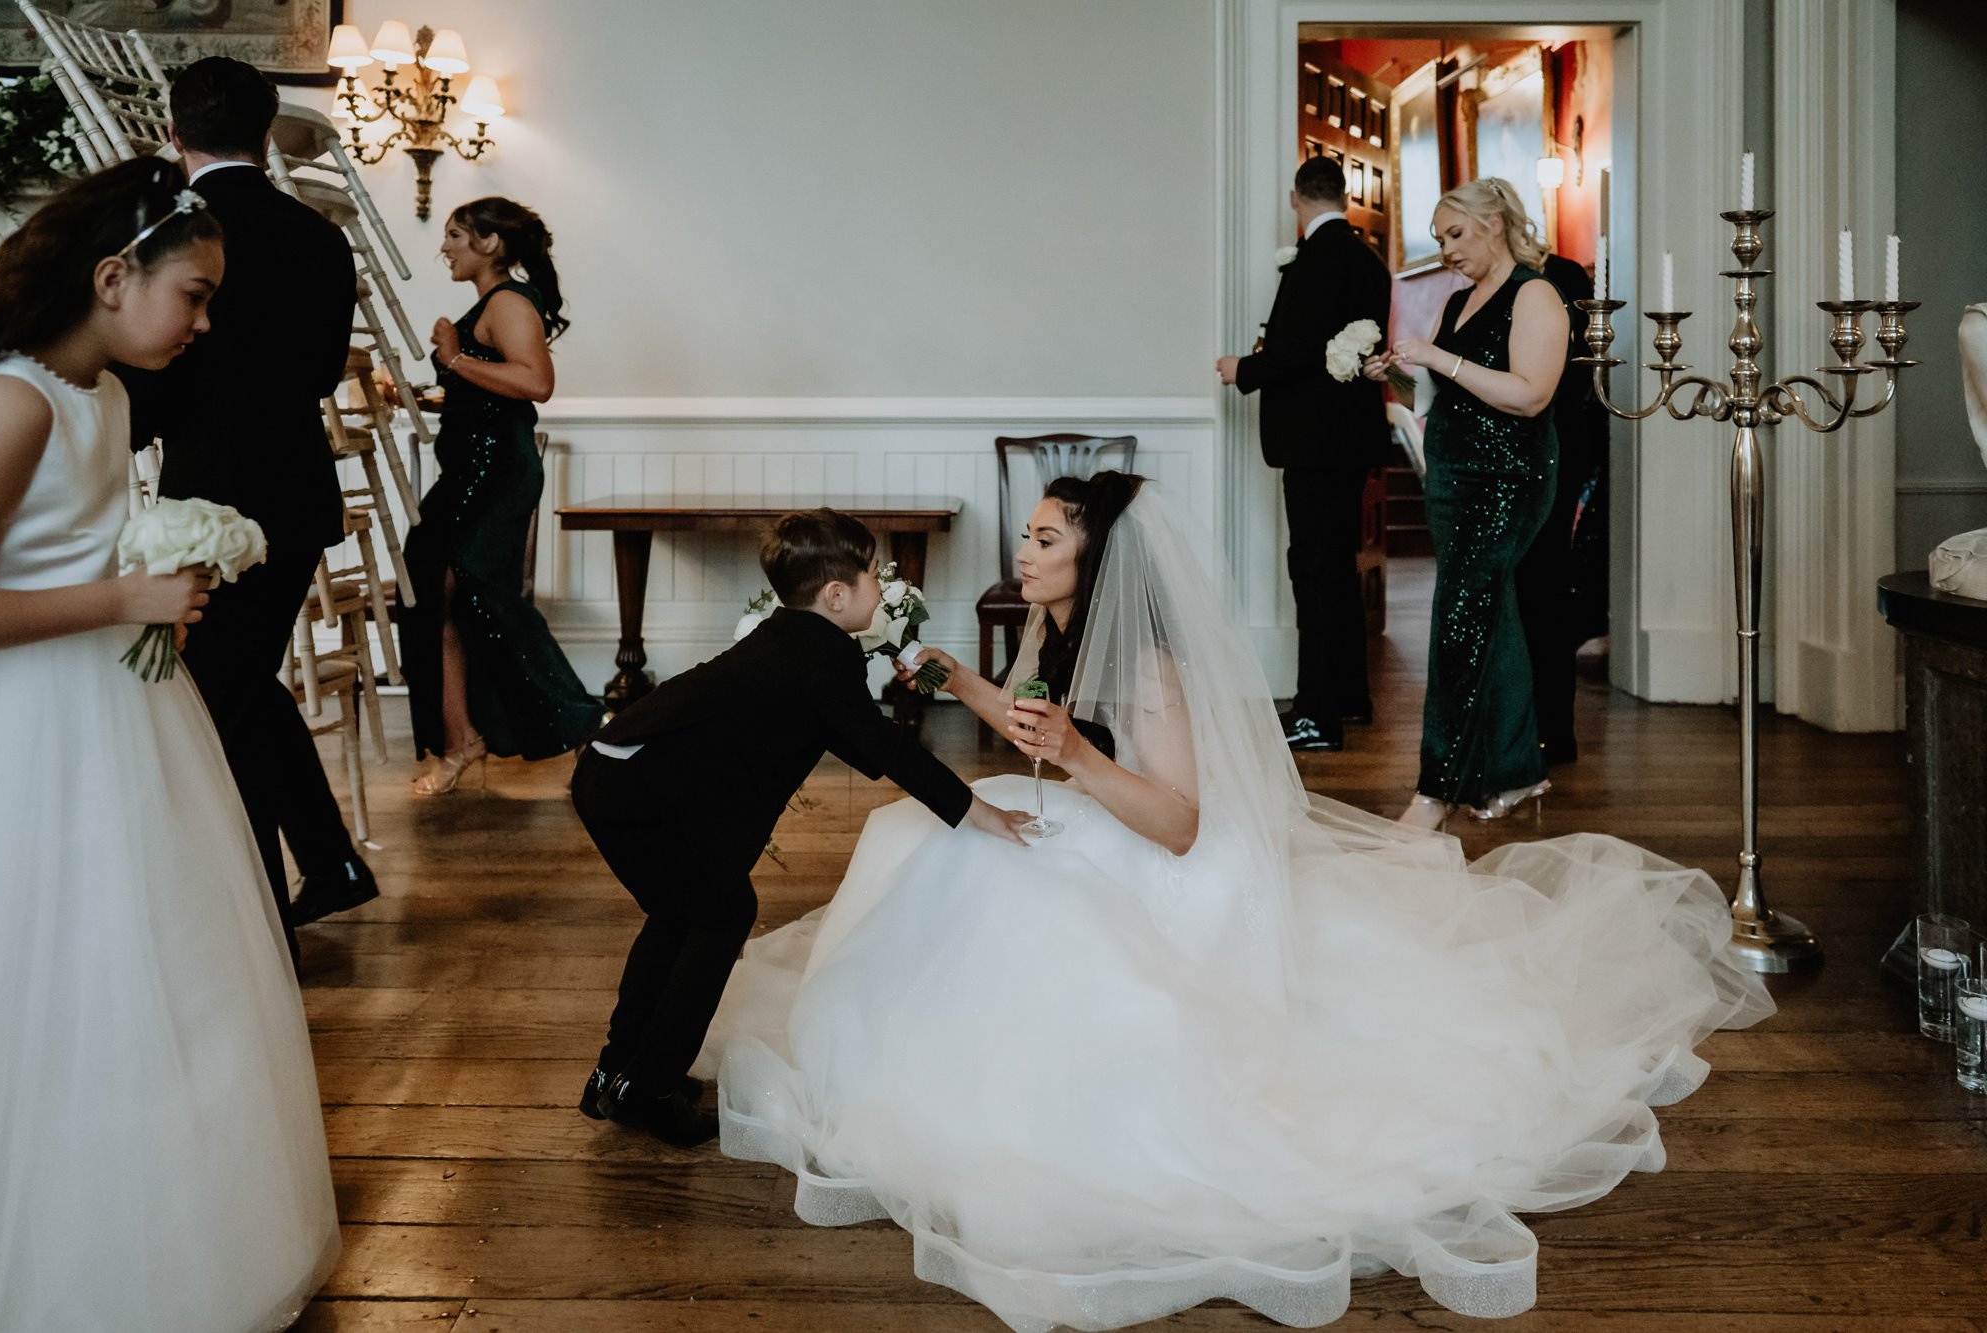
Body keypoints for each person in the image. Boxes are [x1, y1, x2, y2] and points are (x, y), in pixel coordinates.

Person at [697, 471, 1773, 1330]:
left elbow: (1175, 823)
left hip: (1175, 870)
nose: (1020, 553)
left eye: (1042, 540)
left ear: (1095, 561)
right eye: (1025, 536)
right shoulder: (1062, 630)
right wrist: (961, 684)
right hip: (1102, 819)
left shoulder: (1152, 665)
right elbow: (1039, 729)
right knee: (922, 838)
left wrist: (1069, 750)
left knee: (983, 872)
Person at [0, 159, 338, 1331]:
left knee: (152, 969)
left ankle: (149, 1226)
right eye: (192, 294)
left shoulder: (108, 399)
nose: (203, 321)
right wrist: (118, 604)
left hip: (124, 719)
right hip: (35, 730)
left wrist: (151, 580)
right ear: (110, 275)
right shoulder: (16, 401)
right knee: (54, 969)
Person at [570, 509, 1029, 1144]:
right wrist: (975, 811)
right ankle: (646, 1087)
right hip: (640, 791)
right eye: (872, 575)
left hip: (613, 772)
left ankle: (618, 1073)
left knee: (686, 914)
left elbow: (847, 736)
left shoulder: (790, 636)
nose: (878, 585)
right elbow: (887, 751)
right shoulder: (824, 661)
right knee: (720, 912)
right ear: (837, 596)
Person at [117, 56, 375, 942]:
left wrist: (120, 424)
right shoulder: (321, 236)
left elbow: (153, 378)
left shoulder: (170, 234)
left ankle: (266, 902)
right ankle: (321, 861)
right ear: (267, 135)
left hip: (205, 494)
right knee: (234, 682)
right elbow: (314, 373)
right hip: (297, 490)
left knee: (217, 689)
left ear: (175, 134)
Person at [1368, 178, 1569, 827]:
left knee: (1457, 617)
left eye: (1454, 234)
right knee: (1491, 609)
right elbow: (1436, 394)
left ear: (1494, 224)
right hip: (1451, 475)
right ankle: (1516, 773)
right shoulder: (1457, 303)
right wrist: (1396, 373)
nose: (1446, 250)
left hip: (1508, 476)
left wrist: (1437, 359)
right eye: (1439, 238)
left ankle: (1436, 787)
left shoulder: (1535, 294)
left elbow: (1530, 393)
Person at [401, 197, 604, 793]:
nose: (446, 247)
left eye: (456, 235)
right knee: (437, 596)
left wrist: (455, 358)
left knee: (486, 601)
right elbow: (487, 396)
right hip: (469, 471)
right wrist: (431, 390)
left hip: (494, 475)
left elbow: (535, 383)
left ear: (490, 244)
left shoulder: (508, 302)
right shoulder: (488, 306)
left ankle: (588, 725)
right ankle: (463, 740)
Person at [1218, 153, 1392, 753]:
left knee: (1313, 572)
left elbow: (1296, 351)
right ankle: (1349, 695)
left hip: (1316, 442)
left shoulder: (1316, 260)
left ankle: (1318, 713)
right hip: (1351, 440)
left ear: (1297, 198)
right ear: (1343, 195)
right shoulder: (1369, 260)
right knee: (1335, 569)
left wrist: (1244, 368)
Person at [1513, 251, 1609, 765]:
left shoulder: (1556, 279)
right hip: (1529, 451)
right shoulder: (1497, 285)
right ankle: (1527, 727)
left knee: (1543, 590)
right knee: (1529, 592)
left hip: (1552, 449)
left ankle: (1551, 730)